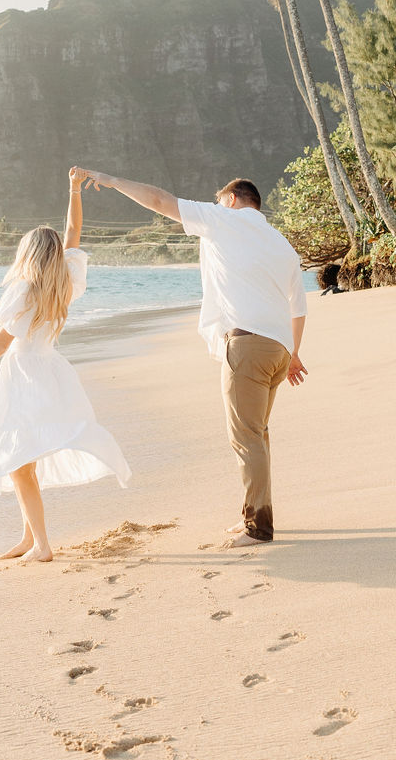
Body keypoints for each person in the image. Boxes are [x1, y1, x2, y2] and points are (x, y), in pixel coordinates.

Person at [79, 168, 307, 547]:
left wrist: (114, 181)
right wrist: (294, 352)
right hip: (279, 350)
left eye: (220, 200)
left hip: (247, 345)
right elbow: (298, 306)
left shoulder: (223, 219)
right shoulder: (281, 242)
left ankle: (259, 528)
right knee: (258, 435)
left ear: (232, 200)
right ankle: (252, 514)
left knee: (246, 437)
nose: (216, 206)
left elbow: (159, 201)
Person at [0, 167, 130, 563]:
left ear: (27, 255)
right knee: (23, 460)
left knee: (18, 462)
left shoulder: (24, 290)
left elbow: (1, 342)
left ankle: (42, 545)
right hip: (50, 372)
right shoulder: (65, 282)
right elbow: (74, 231)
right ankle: (29, 539)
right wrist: (73, 190)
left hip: (23, 376)